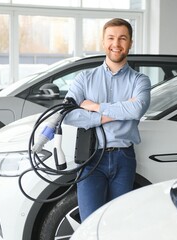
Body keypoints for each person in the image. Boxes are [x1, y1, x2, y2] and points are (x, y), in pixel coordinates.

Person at [63, 18, 151, 222]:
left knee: (118, 223)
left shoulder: (140, 80)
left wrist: (95, 107)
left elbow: (136, 109)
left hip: (124, 158)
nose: (116, 44)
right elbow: (67, 113)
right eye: (111, 38)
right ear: (103, 42)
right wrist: (112, 115)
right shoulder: (84, 78)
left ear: (130, 42)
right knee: (90, 222)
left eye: (122, 38)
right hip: (90, 158)